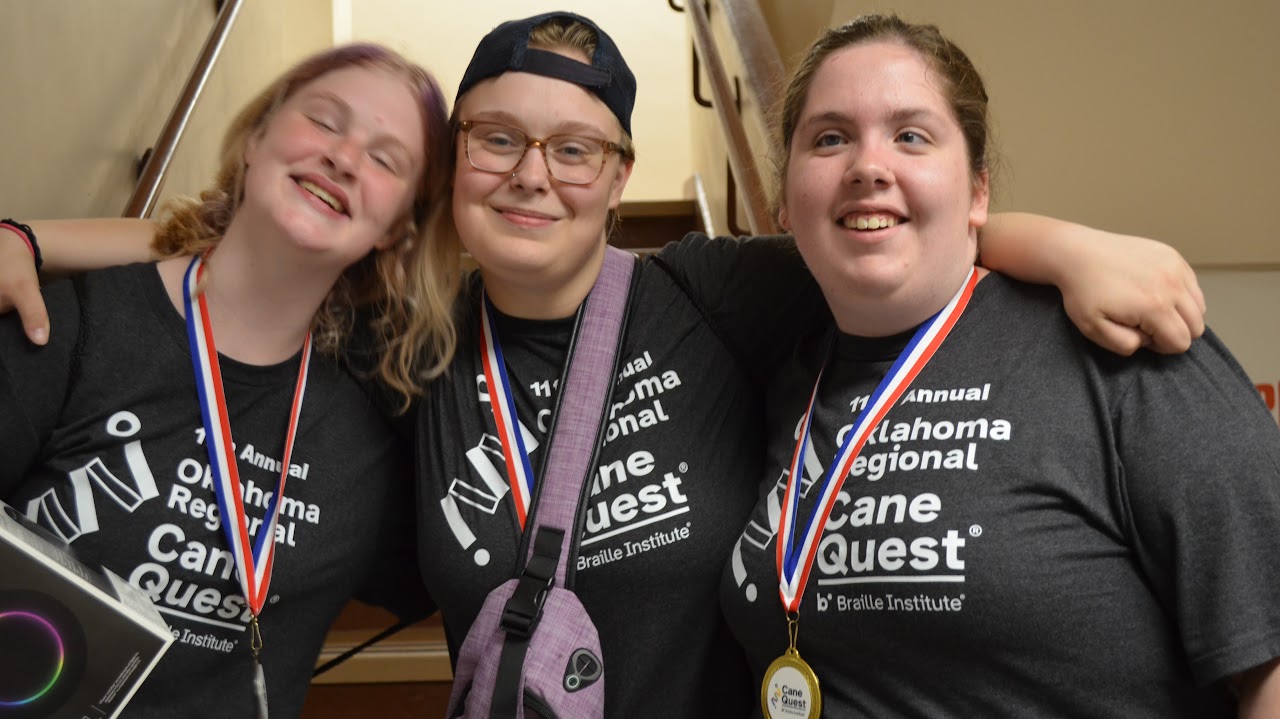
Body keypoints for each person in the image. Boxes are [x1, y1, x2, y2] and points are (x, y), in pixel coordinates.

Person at [0, 12, 1211, 718]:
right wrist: (30, 238)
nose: (535, 174)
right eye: (498, 140)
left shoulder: (711, 292)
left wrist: (1058, 241)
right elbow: (244, 242)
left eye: (576, 148)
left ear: (620, 172)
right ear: (447, 172)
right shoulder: (401, 344)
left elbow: (874, 226)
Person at [718, 14, 1280, 718]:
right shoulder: (774, 367)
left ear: (979, 190)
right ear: (783, 200)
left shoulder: (1117, 351)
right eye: (830, 138)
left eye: (911, 135)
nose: (867, 165)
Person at [0, 43, 458, 718]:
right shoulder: (70, 326)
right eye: (326, 121)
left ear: (398, 230)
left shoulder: (376, 421)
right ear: (255, 138)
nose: (344, 157)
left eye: (386, 160)